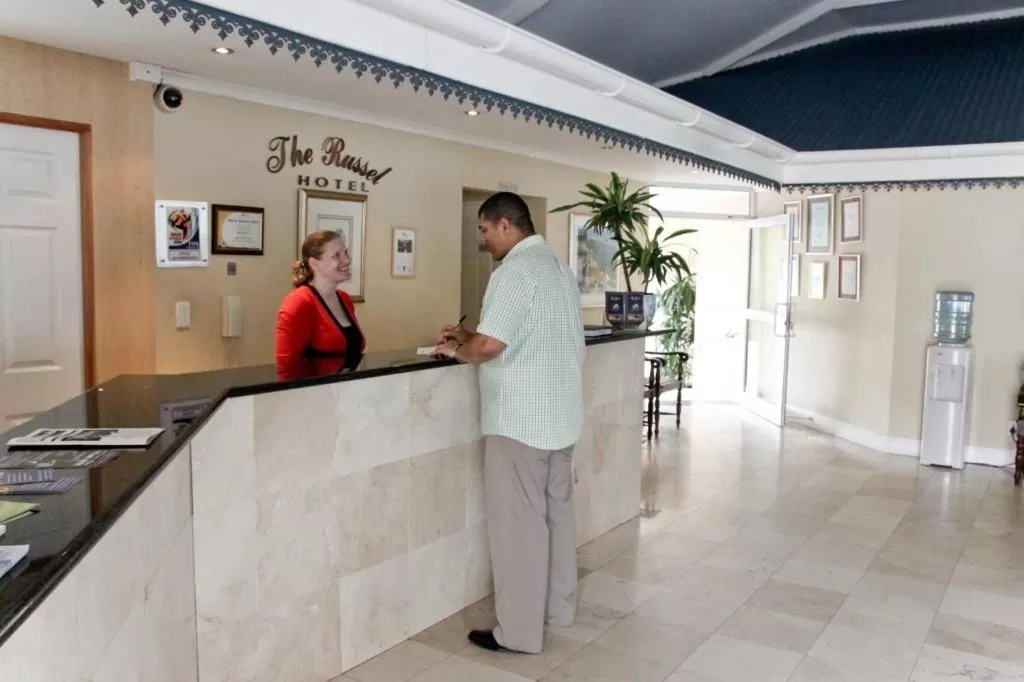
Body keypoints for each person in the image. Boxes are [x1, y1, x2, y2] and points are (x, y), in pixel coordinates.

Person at [433, 192, 585, 655]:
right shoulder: (557, 267)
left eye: (484, 230)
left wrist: (457, 349)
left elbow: (489, 348)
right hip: (560, 420)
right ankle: (559, 610)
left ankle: (518, 633)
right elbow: (522, 334)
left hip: (520, 422)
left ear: (503, 224)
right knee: (556, 519)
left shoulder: (515, 271)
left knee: (518, 529)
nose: (484, 241)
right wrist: (469, 334)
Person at [275, 230, 365, 379]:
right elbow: (287, 369)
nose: (347, 260)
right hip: (314, 397)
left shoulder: (344, 299)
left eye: (346, 253)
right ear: (314, 264)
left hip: (346, 394)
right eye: (337, 255)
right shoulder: (299, 302)